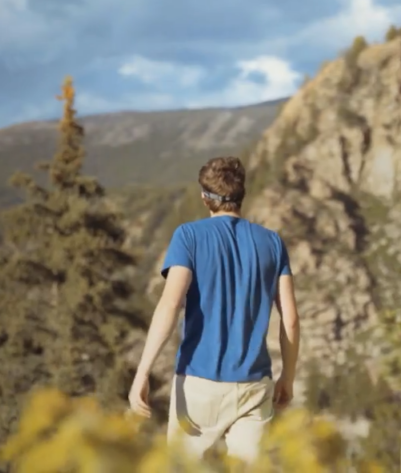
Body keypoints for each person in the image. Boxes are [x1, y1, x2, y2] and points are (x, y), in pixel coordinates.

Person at [127, 156, 301, 464]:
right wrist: (287, 376)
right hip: (254, 385)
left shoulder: (189, 236)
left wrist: (142, 372)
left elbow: (170, 304)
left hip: (199, 383)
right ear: (241, 194)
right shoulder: (273, 243)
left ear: (204, 198)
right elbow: (290, 317)